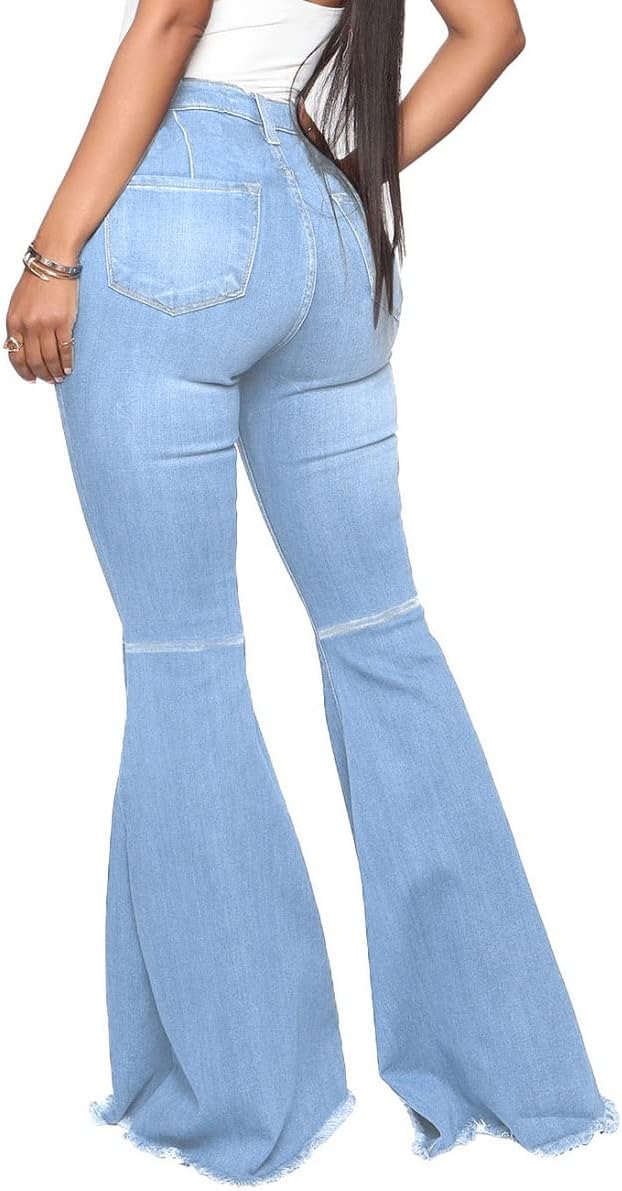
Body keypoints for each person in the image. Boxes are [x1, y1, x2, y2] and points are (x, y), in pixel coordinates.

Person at [4, 0, 618, 1182]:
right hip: (331, 228)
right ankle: (513, 1070)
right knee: (385, 641)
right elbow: (492, 32)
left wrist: (52, 250)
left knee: (184, 658)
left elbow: (173, 18)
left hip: (177, 216)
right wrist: (348, 171)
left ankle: (248, 1097)